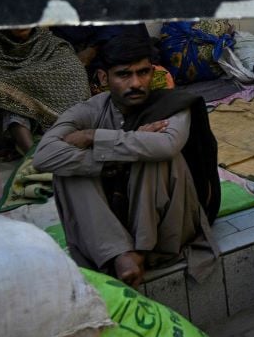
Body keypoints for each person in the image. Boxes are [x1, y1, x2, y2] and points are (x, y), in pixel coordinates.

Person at [33, 32, 221, 287]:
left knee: (153, 155)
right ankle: (121, 253)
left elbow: (166, 144)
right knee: (67, 171)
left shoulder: (172, 104)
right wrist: (111, 161)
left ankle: (139, 251)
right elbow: (44, 156)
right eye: (124, 74)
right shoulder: (89, 110)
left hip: (169, 224)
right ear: (104, 77)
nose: (136, 83)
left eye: (143, 73)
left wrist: (94, 137)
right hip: (114, 222)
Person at [0, 27, 91, 157]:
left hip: (54, 116)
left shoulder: (53, 45)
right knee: (5, 95)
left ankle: (64, 142)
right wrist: (19, 87)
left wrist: (30, 83)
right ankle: (33, 157)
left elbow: (73, 69)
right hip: (12, 120)